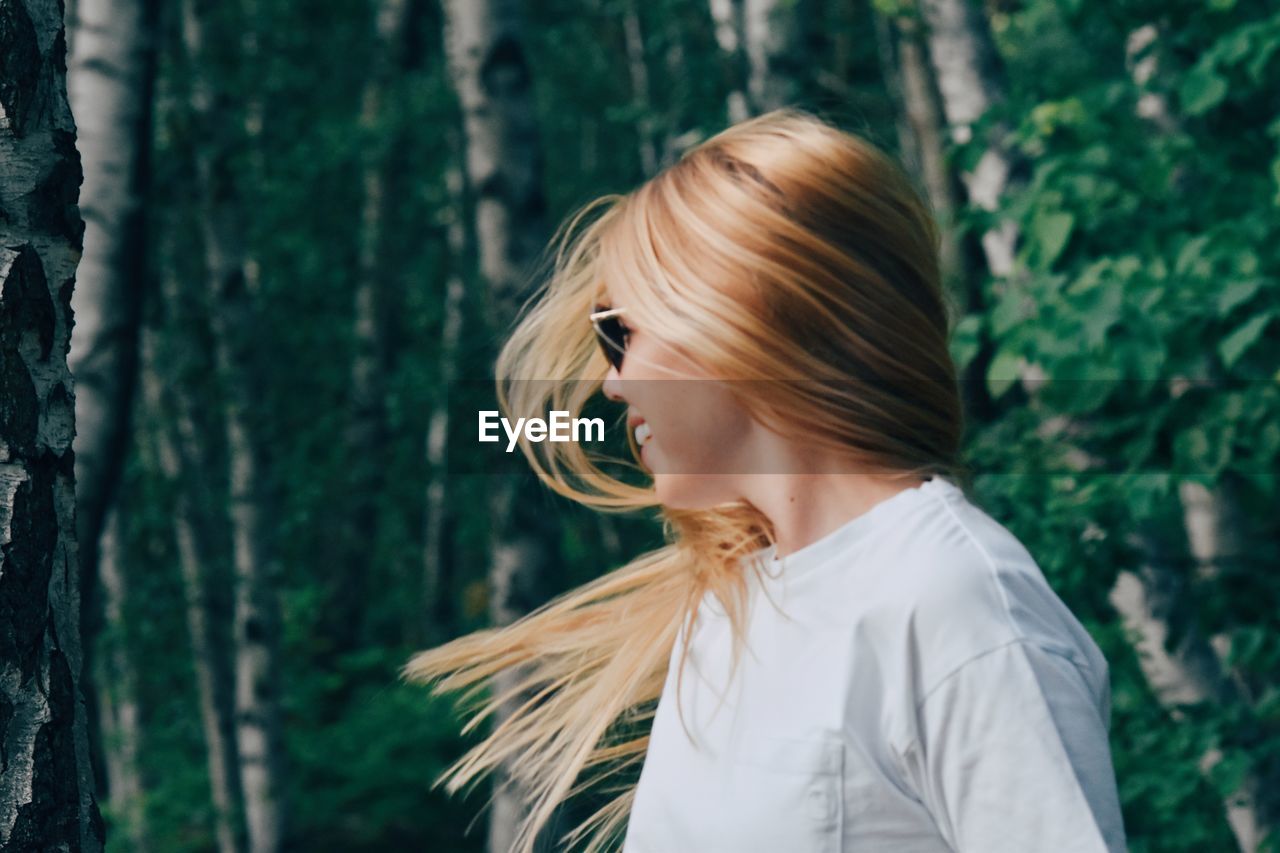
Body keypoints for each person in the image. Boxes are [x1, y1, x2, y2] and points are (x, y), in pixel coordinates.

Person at [403, 107, 1127, 853]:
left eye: (620, 333)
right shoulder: (729, 606)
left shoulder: (958, 603)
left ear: (741, 314)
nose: (612, 386)